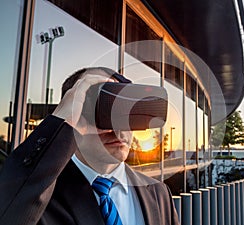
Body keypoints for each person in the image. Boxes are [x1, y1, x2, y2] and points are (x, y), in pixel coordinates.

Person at [0, 67, 179, 225]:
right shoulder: (37, 193)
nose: (117, 129)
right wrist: (62, 123)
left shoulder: (158, 192)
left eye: (123, 110)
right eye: (102, 110)